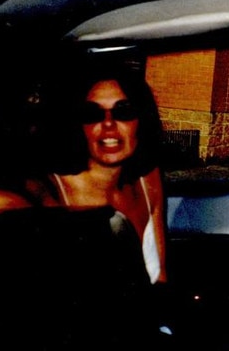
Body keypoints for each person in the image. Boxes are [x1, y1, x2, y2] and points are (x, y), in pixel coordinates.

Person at [25, 50, 167, 284]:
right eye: (92, 114)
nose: (109, 124)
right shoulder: (51, 193)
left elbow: (160, 279)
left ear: (140, 120)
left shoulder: (147, 179)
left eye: (124, 111)